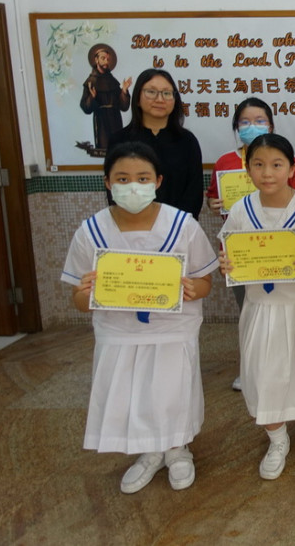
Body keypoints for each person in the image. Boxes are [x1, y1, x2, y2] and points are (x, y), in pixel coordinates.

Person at [61, 142, 217, 494]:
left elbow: (205, 281)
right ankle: (149, 451)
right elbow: (79, 299)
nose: (133, 186)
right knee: (131, 393)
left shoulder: (182, 225)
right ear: (107, 182)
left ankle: (177, 449)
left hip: (173, 329)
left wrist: (193, 289)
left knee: (172, 391)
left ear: (158, 181)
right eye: (123, 178)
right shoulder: (91, 231)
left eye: (143, 178)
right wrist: (87, 293)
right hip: (119, 331)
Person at [219, 133, 295, 480]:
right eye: (258, 164)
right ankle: (277, 439)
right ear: (247, 170)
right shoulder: (241, 210)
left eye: (276, 164)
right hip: (263, 309)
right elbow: (229, 257)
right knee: (263, 375)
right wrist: (227, 266)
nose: (267, 173)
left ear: (291, 169)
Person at [206, 97, 295, 391]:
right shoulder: (225, 163)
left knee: (287, 314)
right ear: (236, 127)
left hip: (282, 249)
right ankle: (251, 368)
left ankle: (289, 369)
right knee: (250, 312)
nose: (252, 126)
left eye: (259, 121)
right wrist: (213, 204)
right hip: (244, 252)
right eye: (245, 122)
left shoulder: (291, 161)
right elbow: (213, 198)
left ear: (271, 126)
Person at [107, 69, 204, 219]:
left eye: (166, 93)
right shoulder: (120, 140)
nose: (160, 99)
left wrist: (178, 225)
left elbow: (194, 192)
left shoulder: (187, 141)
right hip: (131, 224)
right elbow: (115, 189)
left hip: (179, 226)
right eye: (151, 92)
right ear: (137, 98)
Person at [80, 44, 131, 155]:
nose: (106, 62)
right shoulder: (90, 81)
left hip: (116, 119)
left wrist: (124, 91)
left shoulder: (112, 80)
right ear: (96, 60)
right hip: (101, 120)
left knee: (118, 149)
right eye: (103, 58)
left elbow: (123, 107)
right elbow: (86, 108)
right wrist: (92, 97)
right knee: (104, 149)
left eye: (108, 59)